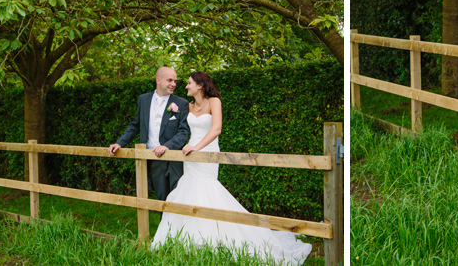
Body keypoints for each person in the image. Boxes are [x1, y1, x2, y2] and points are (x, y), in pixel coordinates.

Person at [151, 72, 312, 265]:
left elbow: (216, 128)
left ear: (200, 85)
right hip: (190, 154)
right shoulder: (188, 106)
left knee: (207, 189)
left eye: (189, 83)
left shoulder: (214, 102)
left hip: (207, 150)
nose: (185, 86)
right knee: (188, 189)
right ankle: (190, 241)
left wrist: (197, 147)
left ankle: (215, 237)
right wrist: (171, 145)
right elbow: (181, 130)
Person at [109, 67, 190, 203]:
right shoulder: (144, 99)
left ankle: (179, 225)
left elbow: (183, 132)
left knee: (177, 198)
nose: (174, 84)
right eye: (169, 80)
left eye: (175, 81)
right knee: (160, 200)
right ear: (158, 80)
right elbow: (135, 125)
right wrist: (119, 143)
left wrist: (166, 146)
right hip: (151, 158)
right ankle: (165, 225)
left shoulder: (181, 103)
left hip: (173, 159)